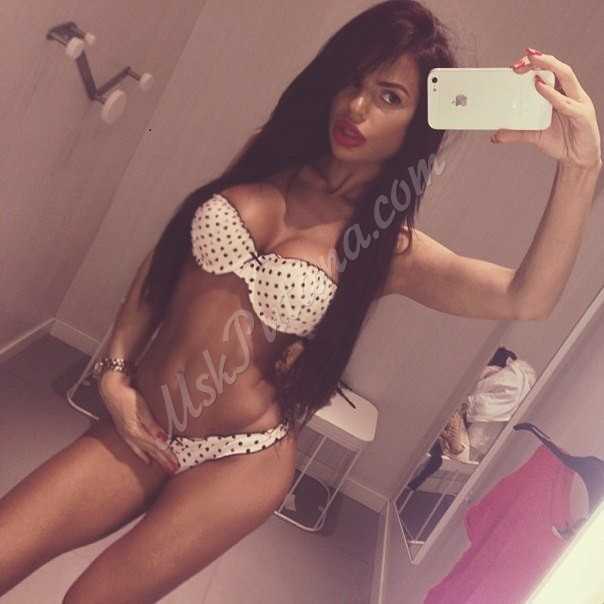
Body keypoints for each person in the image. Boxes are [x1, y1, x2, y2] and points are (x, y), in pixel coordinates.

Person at [1, 1, 601, 601]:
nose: (357, 107)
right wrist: (113, 369)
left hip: (241, 458)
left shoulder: (389, 249)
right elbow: (165, 263)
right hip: (151, 416)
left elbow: (526, 297)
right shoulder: (269, 154)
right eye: (352, 81)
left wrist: (580, 167)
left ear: (417, 126)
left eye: (389, 97)